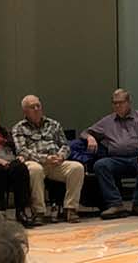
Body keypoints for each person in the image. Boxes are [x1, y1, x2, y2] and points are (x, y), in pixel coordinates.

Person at [83, 89, 138, 219]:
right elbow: (85, 132)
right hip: (116, 159)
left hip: (137, 157)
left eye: (120, 102)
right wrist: (90, 137)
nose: (117, 106)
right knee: (100, 165)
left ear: (128, 102)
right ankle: (115, 204)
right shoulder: (107, 121)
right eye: (114, 103)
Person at [12, 94, 86, 223]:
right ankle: (39, 212)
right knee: (35, 170)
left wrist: (61, 156)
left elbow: (65, 145)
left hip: (55, 162)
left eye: (38, 106)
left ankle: (71, 209)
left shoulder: (53, 124)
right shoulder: (19, 128)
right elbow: (22, 150)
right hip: (35, 162)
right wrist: (45, 158)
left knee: (77, 168)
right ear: (25, 111)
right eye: (32, 107)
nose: (36, 109)